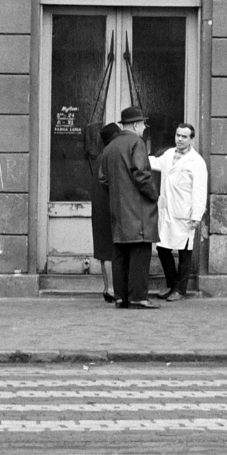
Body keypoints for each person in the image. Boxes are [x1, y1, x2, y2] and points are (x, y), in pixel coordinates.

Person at [97, 105, 159, 309]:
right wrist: (154, 194)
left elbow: (103, 179)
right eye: (142, 124)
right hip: (138, 209)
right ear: (135, 124)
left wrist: (119, 192)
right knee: (140, 252)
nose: (144, 127)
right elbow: (141, 174)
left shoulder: (110, 147)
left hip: (117, 209)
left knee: (120, 253)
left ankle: (121, 296)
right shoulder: (136, 142)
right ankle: (138, 296)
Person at [151, 122, 208, 301]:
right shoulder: (169, 154)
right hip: (167, 210)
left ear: (191, 139)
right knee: (162, 248)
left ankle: (180, 290)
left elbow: (199, 190)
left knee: (185, 252)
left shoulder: (196, 161)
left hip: (185, 212)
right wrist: (135, 155)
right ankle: (171, 284)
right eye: (178, 135)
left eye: (184, 136)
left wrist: (196, 216)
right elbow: (155, 162)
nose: (180, 139)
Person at [90, 122, 120, 302]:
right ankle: (111, 288)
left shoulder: (101, 156)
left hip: (99, 207)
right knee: (109, 250)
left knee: (104, 250)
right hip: (108, 206)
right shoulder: (110, 156)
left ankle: (107, 286)